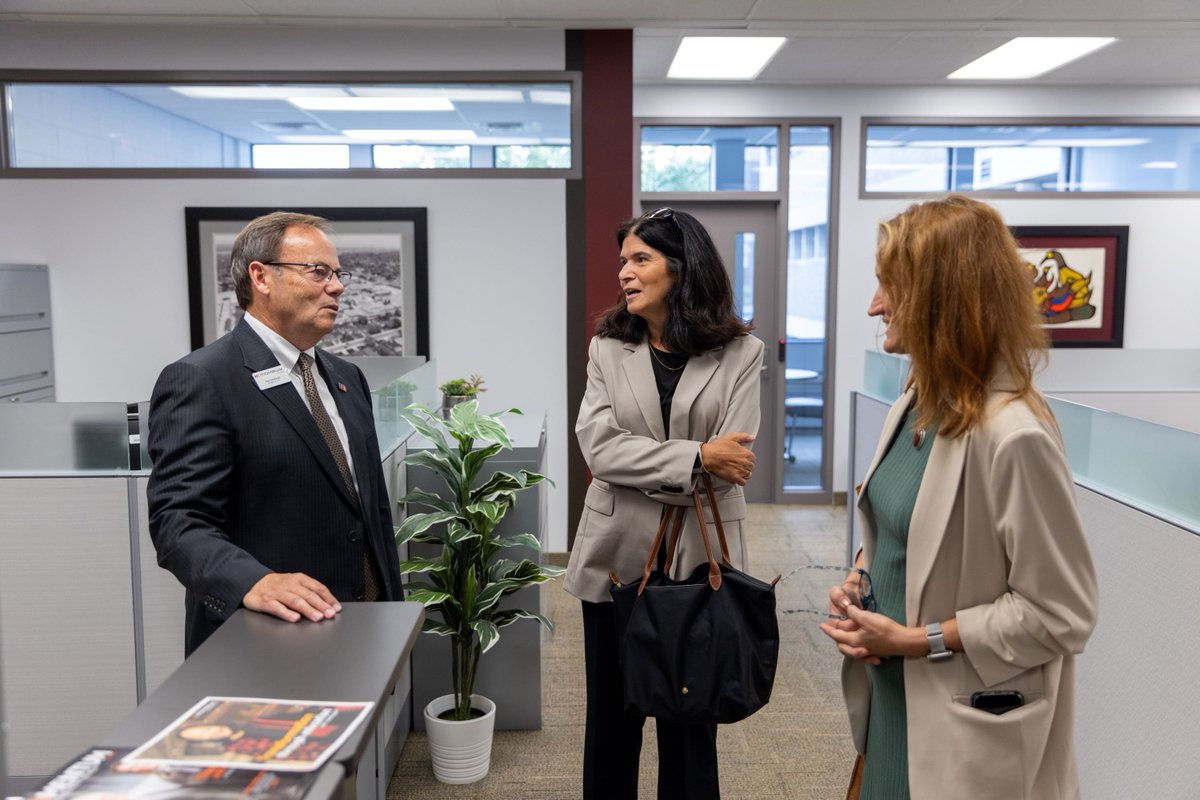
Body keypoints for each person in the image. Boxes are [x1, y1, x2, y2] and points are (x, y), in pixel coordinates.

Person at [820, 195, 1099, 799]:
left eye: (888, 286)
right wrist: (860, 579)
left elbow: (1062, 615)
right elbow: (898, 530)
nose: (875, 305)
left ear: (939, 299)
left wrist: (916, 640)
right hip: (891, 697)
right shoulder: (916, 400)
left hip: (963, 722)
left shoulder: (1013, 435)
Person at [563, 207, 763, 800]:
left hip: (701, 561)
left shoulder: (741, 353)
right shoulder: (607, 348)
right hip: (613, 556)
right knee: (611, 721)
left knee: (690, 720)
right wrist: (698, 457)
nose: (624, 272)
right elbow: (598, 450)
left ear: (682, 270)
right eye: (622, 260)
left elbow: (736, 467)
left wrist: (652, 464)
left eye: (639, 259)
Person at [147, 211, 403, 656]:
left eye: (338, 273)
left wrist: (391, 611)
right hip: (268, 641)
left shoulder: (347, 377)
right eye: (318, 271)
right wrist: (255, 581)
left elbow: (370, 512)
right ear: (261, 276)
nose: (337, 286)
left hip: (364, 627)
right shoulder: (201, 379)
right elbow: (178, 523)